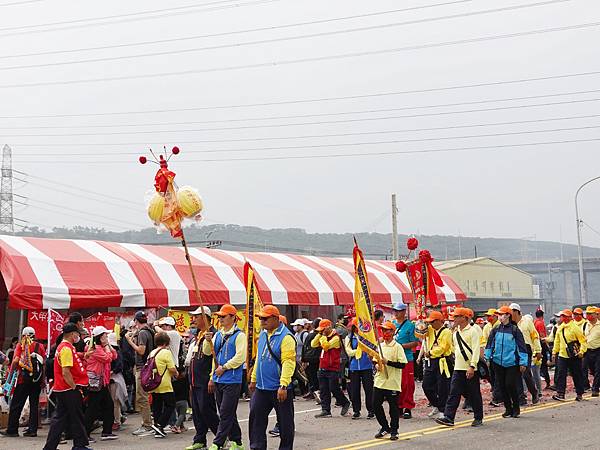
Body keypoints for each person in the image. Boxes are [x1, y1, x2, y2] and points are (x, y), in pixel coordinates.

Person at [249, 305, 296, 450]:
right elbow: (259, 359)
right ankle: (257, 447)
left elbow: (288, 362)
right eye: (260, 318)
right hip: (262, 388)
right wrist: (254, 379)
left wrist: (283, 385)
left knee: (285, 423)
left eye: (265, 318)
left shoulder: (286, 337)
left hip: (279, 389)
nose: (262, 321)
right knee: (256, 419)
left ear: (275, 319)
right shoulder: (263, 335)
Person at [204, 304, 247, 450]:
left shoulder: (239, 335)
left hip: (232, 379)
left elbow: (240, 357)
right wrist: (207, 340)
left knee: (225, 412)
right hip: (218, 379)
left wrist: (225, 367)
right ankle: (237, 441)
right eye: (219, 316)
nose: (220, 318)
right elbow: (209, 353)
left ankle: (218, 442)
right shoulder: (217, 334)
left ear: (233, 317)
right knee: (228, 412)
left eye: (223, 316)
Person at [42, 323, 90, 450]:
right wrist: (74, 386)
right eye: (77, 333)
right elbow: (66, 371)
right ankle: (79, 445)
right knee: (76, 416)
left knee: (59, 418)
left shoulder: (64, 347)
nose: (78, 336)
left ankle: (50, 447)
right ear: (72, 334)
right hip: (69, 388)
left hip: (62, 388)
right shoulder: (66, 349)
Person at [436, 307, 484, 428]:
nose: (454, 319)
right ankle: (449, 417)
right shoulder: (456, 333)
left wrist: (472, 366)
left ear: (464, 318)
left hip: (470, 368)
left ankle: (478, 417)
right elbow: (455, 348)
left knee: (474, 393)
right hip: (458, 367)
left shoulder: (473, 331)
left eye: (457, 317)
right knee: (454, 392)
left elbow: (476, 350)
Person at [1, 326, 46, 438]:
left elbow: (16, 361)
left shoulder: (21, 345)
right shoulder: (40, 346)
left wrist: (10, 375)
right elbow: (43, 363)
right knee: (34, 404)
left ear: (23, 335)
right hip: (36, 380)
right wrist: (42, 380)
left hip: (23, 379)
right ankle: (32, 430)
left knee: (17, 404)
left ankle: (12, 430)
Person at [484, 305, 528, 419]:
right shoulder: (495, 329)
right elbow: (490, 344)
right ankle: (508, 409)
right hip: (497, 362)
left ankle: (516, 407)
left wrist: (523, 362)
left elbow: (522, 347)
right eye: (498, 315)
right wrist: (487, 357)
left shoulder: (515, 330)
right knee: (502, 386)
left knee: (510, 384)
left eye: (501, 314)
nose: (499, 317)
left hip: (512, 363)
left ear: (508, 315)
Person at [185, 306, 219, 450]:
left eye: (197, 316)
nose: (194, 319)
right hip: (194, 380)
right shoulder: (198, 334)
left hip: (205, 379)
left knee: (207, 410)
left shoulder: (214, 334)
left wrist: (212, 377)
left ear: (205, 318)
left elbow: (214, 359)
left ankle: (220, 437)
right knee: (197, 411)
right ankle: (200, 439)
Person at [372, 321, 407, 441]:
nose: (385, 333)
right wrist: (376, 365)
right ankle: (385, 427)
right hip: (379, 381)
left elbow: (402, 364)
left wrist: (388, 362)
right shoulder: (380, 346)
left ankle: (394, 430)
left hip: (392, 382)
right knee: (375, 405)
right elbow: (375, 360)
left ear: (392, 332)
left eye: (387, 330)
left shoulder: (397, 347)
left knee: (393, 408)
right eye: (383, 330)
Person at [84, 325, 118, 442]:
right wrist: (107, 347)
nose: (107, 337)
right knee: (93, 408)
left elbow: (114, 355)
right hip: (95, 381)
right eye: (105, 335)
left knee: (108, 405)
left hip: (102, 381)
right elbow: (108, 358)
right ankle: (85, 434)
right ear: (100, 337)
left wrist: (107, 345)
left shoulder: (101, 347)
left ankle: (106, 432)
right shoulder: (94, 348)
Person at [311, 319, 350, 418]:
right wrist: (319, 335)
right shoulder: (322, 336)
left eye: (323, 329)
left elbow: (326, 346)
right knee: (324, 389)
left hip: (333, 367)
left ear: (328, 327)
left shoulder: (336, 338)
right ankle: (325, 410)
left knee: (334, 388)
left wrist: (323, 336)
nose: (321, 331)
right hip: (322, 366)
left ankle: (344, 402)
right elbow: (313, 344)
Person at [126, 310, 155, 436]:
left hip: (142, 367)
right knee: (144, 396)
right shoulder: (150, 331)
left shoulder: (143, 333)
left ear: (136, 321)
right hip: (148, 366)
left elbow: (141, 350)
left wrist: (129, 340)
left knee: (141, 397)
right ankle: (149, 422)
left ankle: (147, 424)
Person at [420, 311, 453, 420]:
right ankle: (437, 404)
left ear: (439, 321)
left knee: (442, 386)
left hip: (442, 360)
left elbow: (443, 347)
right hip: (430, 361)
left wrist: (431, 353)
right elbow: (419, 333)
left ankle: (443, 409)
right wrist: (421, 321)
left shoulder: (447, 332)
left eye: (433, 322)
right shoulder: (429, 329)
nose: (431, 324)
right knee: (426, 385)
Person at [148, 331, 178, 438]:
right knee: (170, 404)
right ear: (166, 343)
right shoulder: (166, 352)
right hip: (164, 383)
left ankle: (157, 428)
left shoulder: (152, 352)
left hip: (154, 384)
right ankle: (161, 425)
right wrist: (176, 373)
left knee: (157, 406)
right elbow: (171, 368)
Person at [552, 309, 587, 401]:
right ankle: (560, 393)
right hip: (563, 355)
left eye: (563, 316)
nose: (561, 318)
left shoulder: (575, 327)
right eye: (561, 316)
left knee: (576, 374)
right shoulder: (560, 327)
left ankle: (579, 393)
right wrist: (554, 352)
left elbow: (582, 341)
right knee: (561, 374)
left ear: (568, 317)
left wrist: (582, 352)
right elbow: (557, 341)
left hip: (574, 355)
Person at [510, 303, 541, 405]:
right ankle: (521, 398)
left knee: (526, 373)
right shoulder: (510, 324)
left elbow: (534, 336)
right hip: (514, 349)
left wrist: (538, 350)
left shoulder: (527, 321)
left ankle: (534, 392)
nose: (511, 314)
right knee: (516, 374)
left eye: (512, 312)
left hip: (526, 348)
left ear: (517, 312)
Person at [391, 303, 418, 419]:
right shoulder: (391, 324)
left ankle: (408, 407)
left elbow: (415, 343)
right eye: (395, 311)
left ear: (404, 312)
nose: (396, 313)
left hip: (407, 359)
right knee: (396, 384)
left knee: (408, 384)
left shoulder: (410, 326)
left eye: (398, 311)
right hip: (393, 359)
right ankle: (398, 406)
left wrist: (401, 346)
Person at [345, 318, 374, 420]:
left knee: (369, 389)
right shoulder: (349, 338)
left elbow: (372, 349)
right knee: (354, 389)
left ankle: (371, 410)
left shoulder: (367, 337)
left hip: (367, 365)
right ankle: (356, 411)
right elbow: (348, 351)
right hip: (354, 366)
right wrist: (359, 350)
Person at [481, 309, 501, 406]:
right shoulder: (487, 327)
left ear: (496, 316)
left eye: (490, 315)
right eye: (487, 316)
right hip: (490, 355)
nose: (489, 317)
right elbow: (484, 341)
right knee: (491, 376)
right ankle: (497, 395)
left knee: (498, 377)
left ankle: (497, 397)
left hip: (499, 355)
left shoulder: (500, 326)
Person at [107, 331, 127, 432]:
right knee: (115, 401)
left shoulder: (115, 352)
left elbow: (119, 367)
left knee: (115, 401)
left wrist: (110, 372)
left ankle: (117, 420)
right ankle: (119, 417)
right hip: (114, 379)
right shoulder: (117, 351)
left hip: (114, 379)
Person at [301, 318, 321, 401]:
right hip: (316, 359)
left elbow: (304, 347)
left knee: (312, 376)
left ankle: (314, 391)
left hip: (310, 359)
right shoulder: (319, 335)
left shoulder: (310, 335)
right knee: (315, 377)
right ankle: (316, 392)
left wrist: (303, 359)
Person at [584, 306, 600, 397]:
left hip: (598, 351)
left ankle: (595, 389)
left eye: (590, 314)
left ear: (595, 315)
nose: (588, 316)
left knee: (598, 370)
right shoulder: (586, 325)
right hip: (587, 351)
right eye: (587, 314)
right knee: (592, 370)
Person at [534, 309, 552, 389]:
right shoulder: (540, 323)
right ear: (542, 315)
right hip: (541, 345)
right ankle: (548, 382)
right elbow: (542, 335)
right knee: (544, 365)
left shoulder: (535, 322)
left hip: (536, 344)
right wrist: (547, 346)